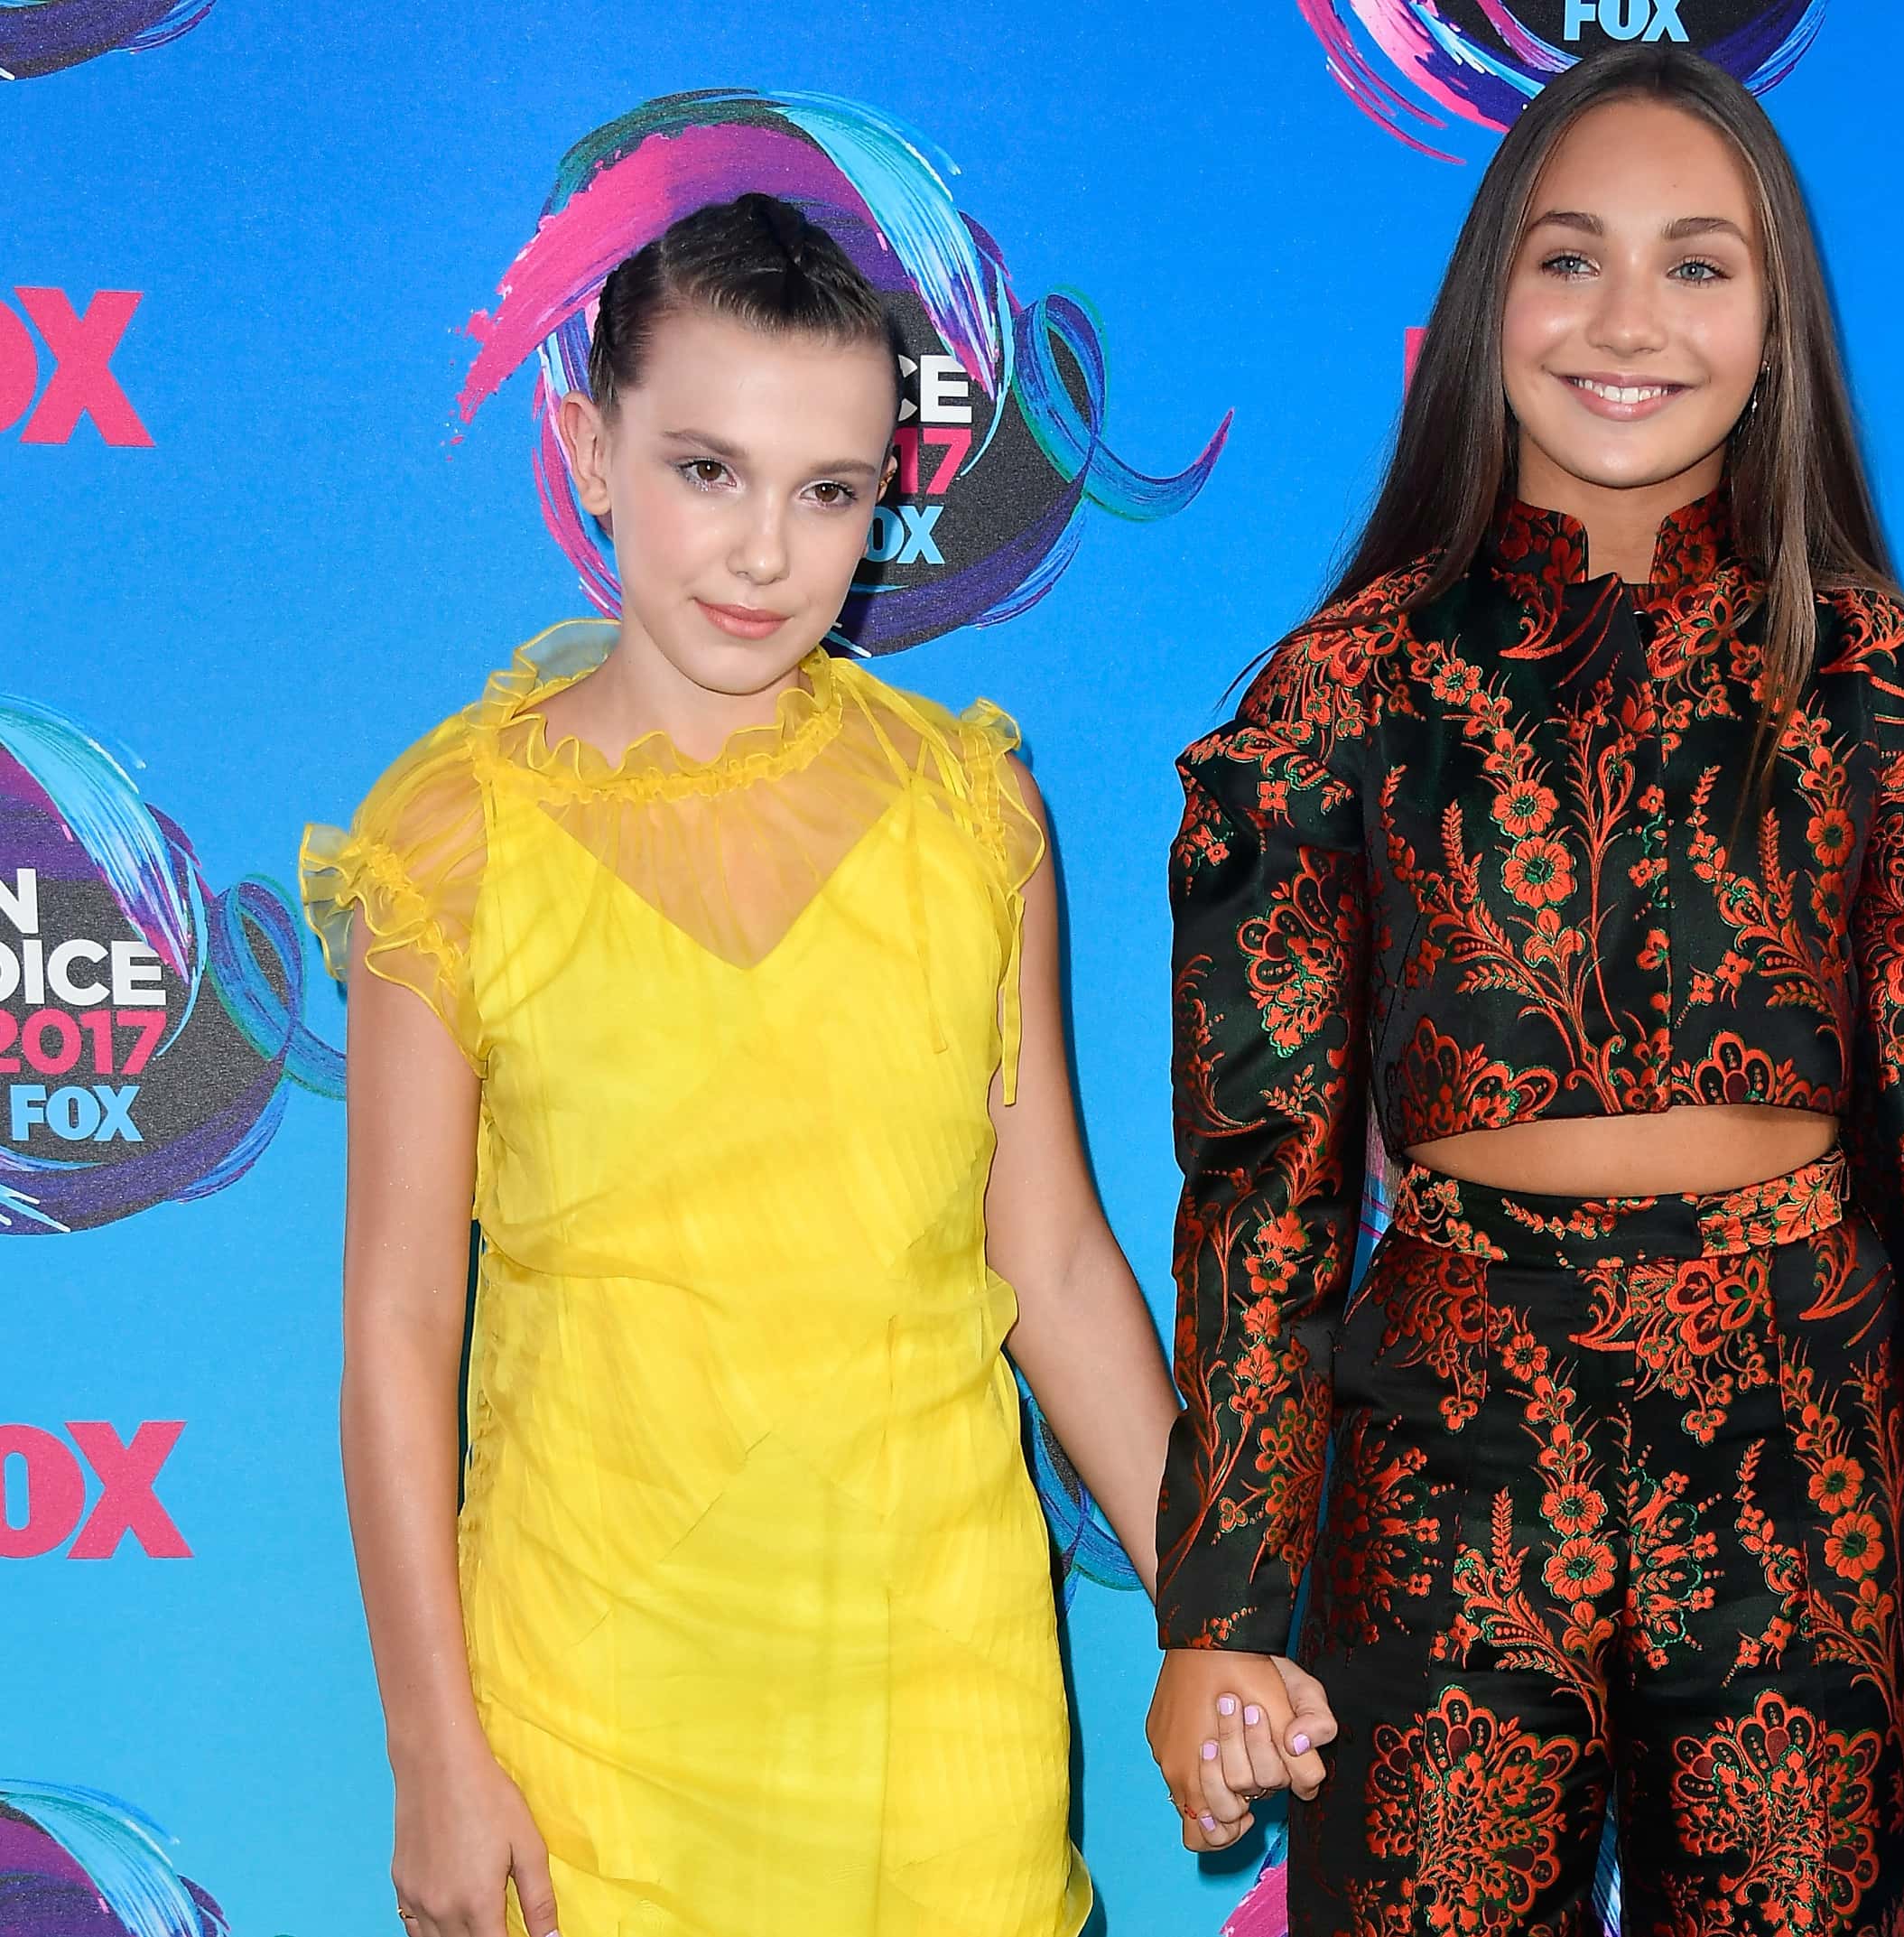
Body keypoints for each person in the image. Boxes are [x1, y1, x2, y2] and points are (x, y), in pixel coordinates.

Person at [304, 192, 1329, 1937]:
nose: (765, 554)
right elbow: (401, 1324)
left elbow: (1051, 1259)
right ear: (591, 451)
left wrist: (1209, 1612)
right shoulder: (453, 841)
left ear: (885, 498)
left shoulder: (970, 814)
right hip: (594, 1721)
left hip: (941, 1708)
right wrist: (432, 1753)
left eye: (829, 490)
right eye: (707, 470)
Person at [1146, 45, 1904, 1935]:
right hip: (1442, 1460)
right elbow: (1262, 1186)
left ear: (1777, 326)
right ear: (1486, 305)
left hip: (1804, 1459)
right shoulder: (1339, 696)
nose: (1627, 321)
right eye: (1569, 259)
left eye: (1697, 265)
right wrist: (1214, 1611)